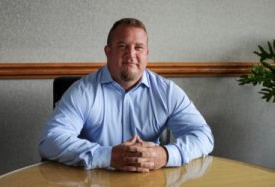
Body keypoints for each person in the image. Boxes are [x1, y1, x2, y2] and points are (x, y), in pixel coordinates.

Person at [39, 18, 214, 172]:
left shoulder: (167, 92)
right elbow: (50, 140)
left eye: (138, 48)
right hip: (94, 180)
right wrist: (107, 156)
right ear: (108, 52)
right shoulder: (82, 91)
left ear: (146, 54)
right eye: (122, 46)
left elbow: (203, 136)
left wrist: (166, 155)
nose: (131, 55)